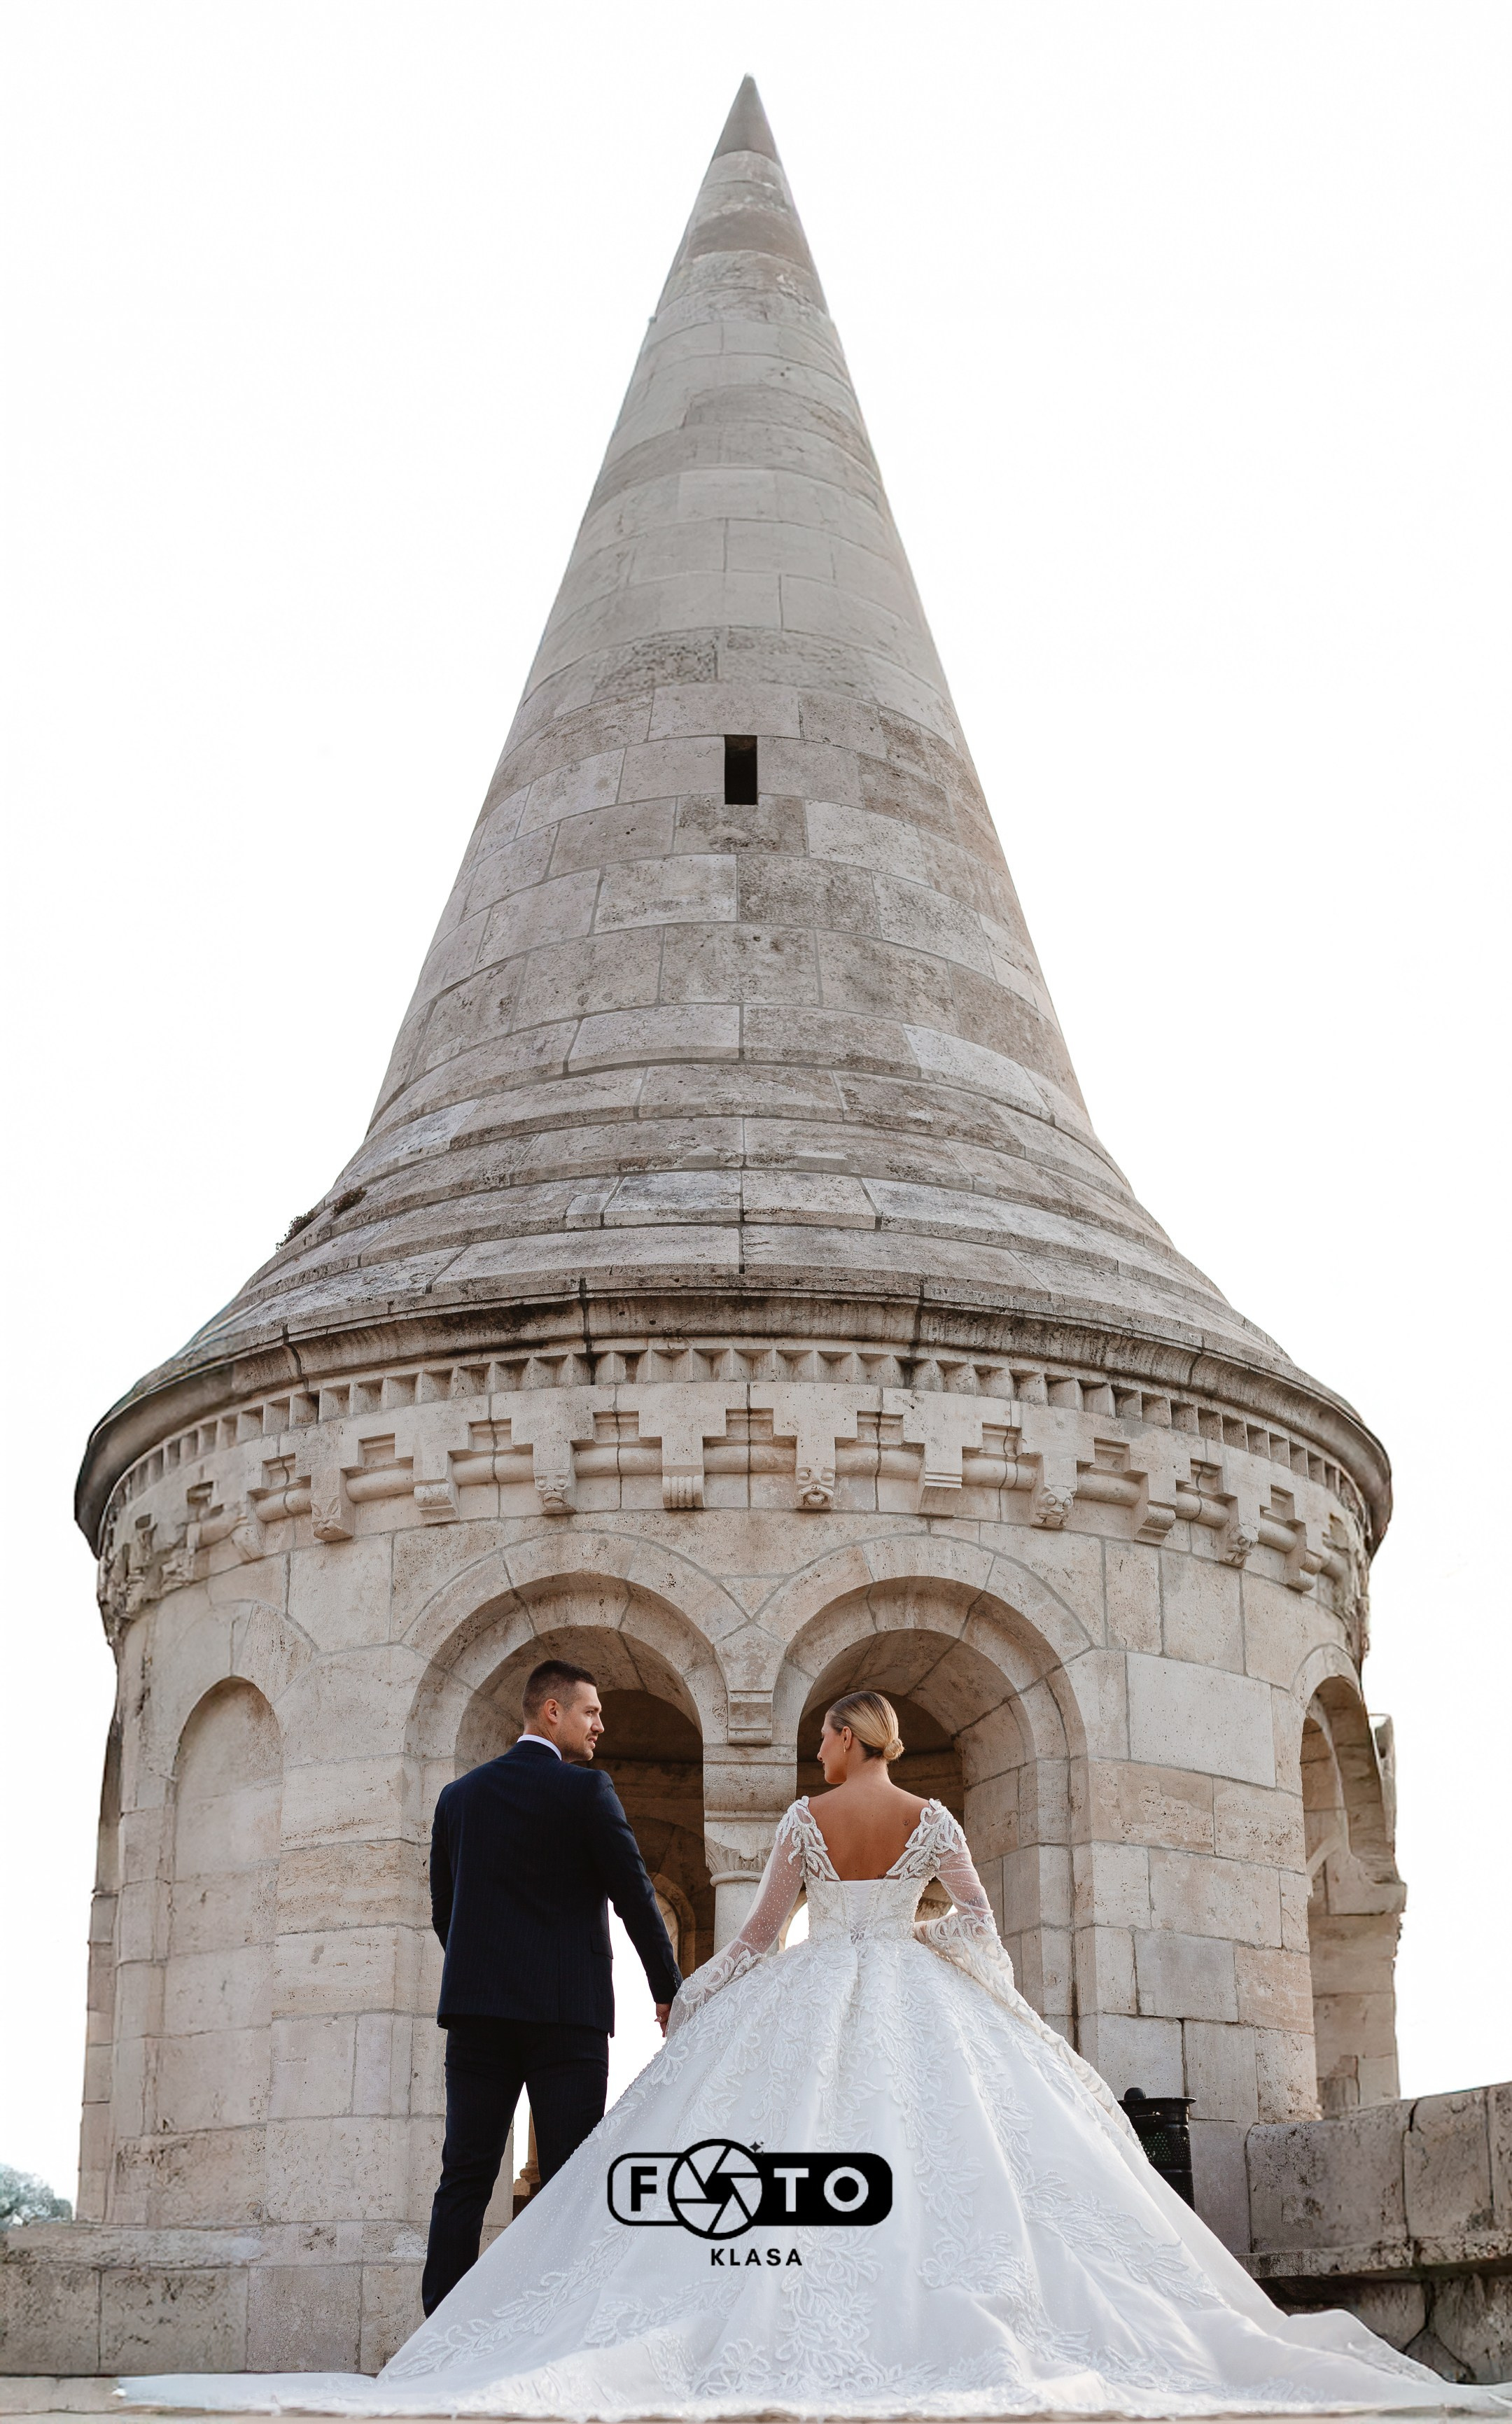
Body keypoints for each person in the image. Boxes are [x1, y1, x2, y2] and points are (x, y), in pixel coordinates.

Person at [123, 1691, 1509, 2417]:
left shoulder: (802, 1817)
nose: (820, 1743)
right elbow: (980, 1925)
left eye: (826, 1729)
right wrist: (946, 1963)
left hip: (809, 1992)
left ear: (847, 1740)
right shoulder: (936, 1818)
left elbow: (760, 1936)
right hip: (911, 1988)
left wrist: (697, 1997)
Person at [421, 1658, 681, 2313]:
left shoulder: (458, 1797)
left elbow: (444, 1911)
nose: (601, 1725)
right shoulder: (588, 1791)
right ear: (552, 1710)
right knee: (570, 2179)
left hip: (478, 2015)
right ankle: (554, 2324)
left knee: (465, 2177)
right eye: (591, 1711)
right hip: (568, 2016)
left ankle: (438, 2338)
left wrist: (487, 1974)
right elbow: (636, 1897)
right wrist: (669, 1989)